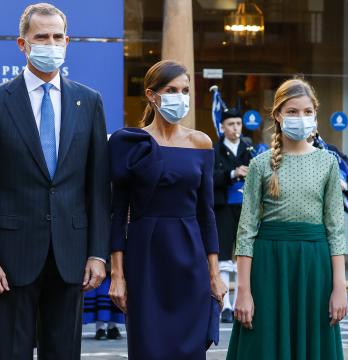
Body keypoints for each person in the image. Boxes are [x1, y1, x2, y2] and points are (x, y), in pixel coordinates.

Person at [0, 3, 110, 359]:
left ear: (67, 41)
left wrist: (97, 252)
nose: (51, 44)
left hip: (71, 253)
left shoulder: (88, 101)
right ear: (22, 44)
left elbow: (97, 186)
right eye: (41, 37)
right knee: (8, 353)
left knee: (63, 353)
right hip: (11, 258)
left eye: (57, 37)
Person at [108, 60, 228, 359]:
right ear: (152, 95)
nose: (181, 97)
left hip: (191, 255)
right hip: (145, 256)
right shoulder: (130, 143)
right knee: (148, 346)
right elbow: (117, 211)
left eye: (185, 90)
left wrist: (214, 274)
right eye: (172, 90)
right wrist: (118, 274)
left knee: (190, 346)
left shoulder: (201, 142)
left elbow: (207, 214)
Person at [227, 78, 347, 359]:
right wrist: (243, 292)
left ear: (315, 116)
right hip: (268, 268)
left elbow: (335, 230)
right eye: (292, 111)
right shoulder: (259, 164)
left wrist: (340, 288)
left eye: (307, 112)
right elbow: (245, 232)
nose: (300, 118)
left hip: (314, 270)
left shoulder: (328, 162)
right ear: (278, 115)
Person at [212, 107, 253, 323]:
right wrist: (232, 173)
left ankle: (240, 301)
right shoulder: (215, 150)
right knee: (224, 255)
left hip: (245, 208)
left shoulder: (250, 149)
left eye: (238, 124)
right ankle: (225, 305)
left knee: (244, 254)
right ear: (222, 127)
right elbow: (209, 178)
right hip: (223, 208)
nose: (235, 128)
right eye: (231, 124)